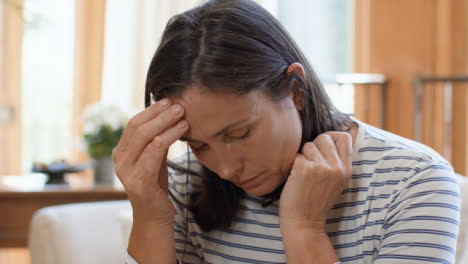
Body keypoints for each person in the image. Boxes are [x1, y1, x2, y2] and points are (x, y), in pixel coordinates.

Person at [113, 0, 460, 263]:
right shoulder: (187, 180)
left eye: (239, 134)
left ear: (295, 89)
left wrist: (304, 229)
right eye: (199, 144)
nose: (225, 168)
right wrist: (150, 212)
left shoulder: (414, 182)